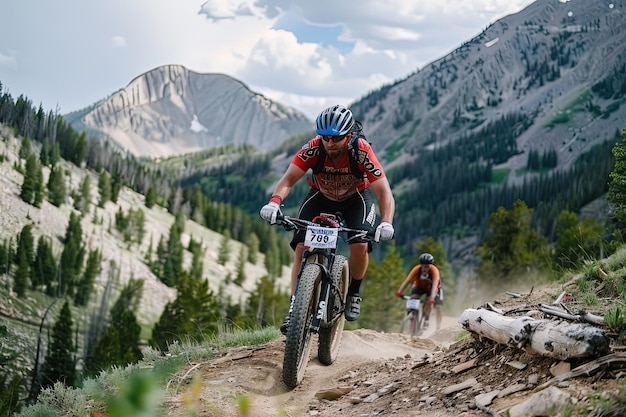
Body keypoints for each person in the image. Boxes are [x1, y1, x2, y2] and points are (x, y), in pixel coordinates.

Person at [260, 104, 395, 335]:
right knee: (302, 248)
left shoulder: (361, 151)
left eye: (336, 138)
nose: (330, 143)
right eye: (325, 138)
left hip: (356, 198)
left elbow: (384, 192)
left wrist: (386, 222)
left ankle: (353, 292)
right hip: (320, 196)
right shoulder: (313, 149)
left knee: (360, 245)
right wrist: (274, 202)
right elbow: (288, 179)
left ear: (349, 135)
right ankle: (295, 308)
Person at [395, 253, 443, 331]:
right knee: (413, 298)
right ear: (421, 265)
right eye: (423, 266)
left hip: (433, 288)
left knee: (436, 305)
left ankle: (427, 320)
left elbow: (435, 285)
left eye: (427, 266)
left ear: (430, 266)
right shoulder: (417, 269)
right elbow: (407, 281)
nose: (425, 268)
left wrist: (432, 298)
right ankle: (412, 317)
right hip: (419, 286)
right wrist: (400, 291)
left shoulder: (434, 271)